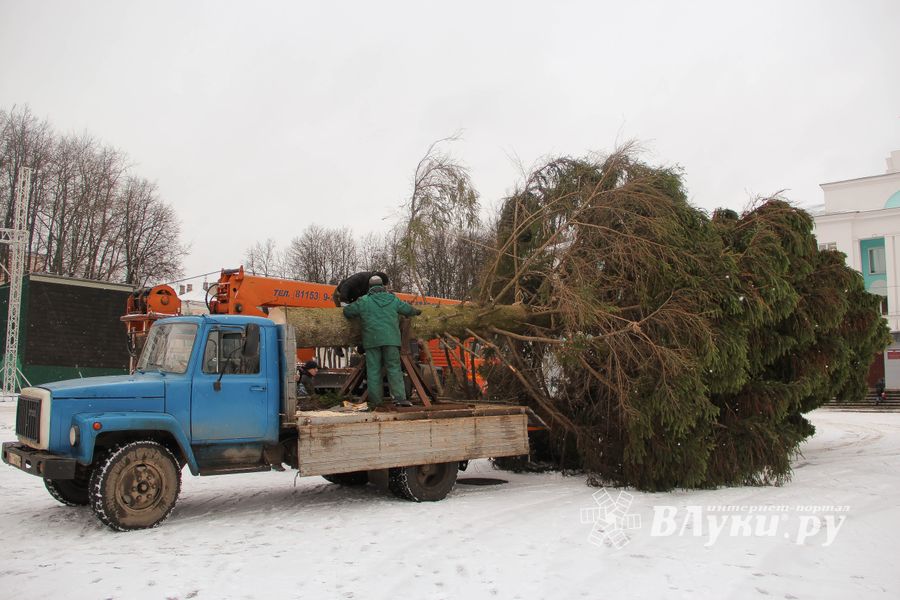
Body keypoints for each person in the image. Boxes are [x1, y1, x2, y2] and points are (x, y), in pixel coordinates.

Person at [342, 275, 421, 410]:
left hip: (372, 341)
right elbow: (408, 310)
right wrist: (418, 311)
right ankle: (399, 398)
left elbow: (348, 312)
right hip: (391, 340)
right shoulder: (393, 299)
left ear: (370, 287)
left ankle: (376, 401)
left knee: (373, 371)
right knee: (394, 369)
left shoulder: (364, 301)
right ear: (383, 286)